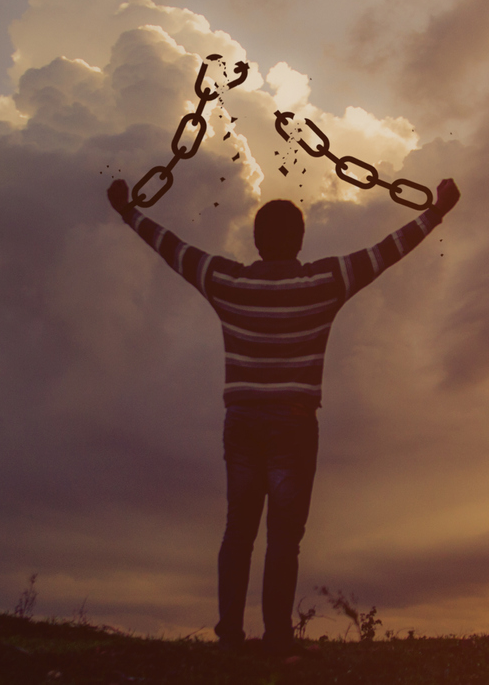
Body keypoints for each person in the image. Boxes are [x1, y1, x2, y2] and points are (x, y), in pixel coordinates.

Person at [106, 176, 460, 655]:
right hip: (293, 424)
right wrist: (435, 213)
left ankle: (229, 635)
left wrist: (129, 212)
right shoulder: (325, 281)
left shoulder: (226, 281)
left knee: (238, 531)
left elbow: (174, 249)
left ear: (256, 241)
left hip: (243, 422)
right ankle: (276, 638)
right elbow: (384, 252)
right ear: (300, 241)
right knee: (284, 539)